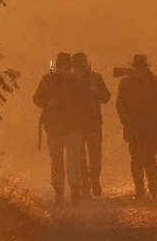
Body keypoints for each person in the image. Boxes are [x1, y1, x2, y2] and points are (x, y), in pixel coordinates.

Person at [33, 50, 90, 203]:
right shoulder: (48, 80)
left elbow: (86, 103)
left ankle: (75, 190)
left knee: (72, 160)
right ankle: (59, 191)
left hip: (73, 127)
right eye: (62, 66)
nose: (65, 69)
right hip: (54, 127)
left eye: (67, 66)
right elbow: (37, 98)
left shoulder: (77, 81)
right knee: (57, 161)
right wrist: (48, 102)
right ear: (58, 66)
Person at [113, 53, 157, 200]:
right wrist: (126, 123)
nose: (139, 69)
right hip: (133, 127)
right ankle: (140, 191)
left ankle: (154, 192)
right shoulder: (128, 83)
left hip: (150, 127)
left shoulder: (154, 82)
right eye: (137, 67)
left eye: (141, 67)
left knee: (149, 159)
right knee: (136, 160)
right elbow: (120, 105)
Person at [71, 51, 111, 197]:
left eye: (81, 63)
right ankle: (85, 184)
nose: (79, 66)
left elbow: (106, 97)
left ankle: (94, 180)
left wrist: (96, 92)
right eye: (77, 64)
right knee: (80, 155)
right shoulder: (70, 80)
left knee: (95, 154)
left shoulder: (95, 77)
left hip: (93, 122)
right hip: (76, 124)